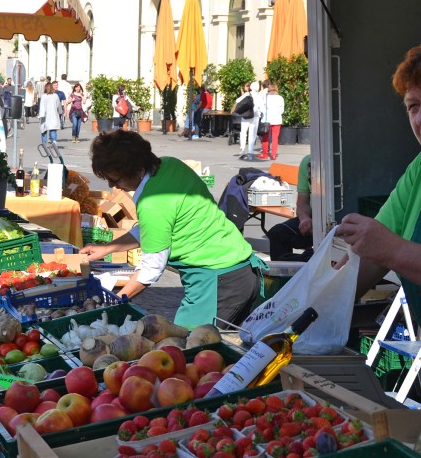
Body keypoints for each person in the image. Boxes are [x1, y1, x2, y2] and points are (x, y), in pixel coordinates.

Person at [79, 130, 265, 328]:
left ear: (135, 169)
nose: (111, 186)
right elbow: (155, 229)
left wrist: (115, 301)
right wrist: (108, 248)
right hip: (240, 269)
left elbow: (151, 269)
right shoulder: (170, 164)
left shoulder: (152, 203)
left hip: (218, 282)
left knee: (186, 347)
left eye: (115, 180)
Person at [339, 45, 421, 323]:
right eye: (413, 106)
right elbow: (370, 255)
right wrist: (306, 299)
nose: (419, 119)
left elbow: (385, 246)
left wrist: (394, 250)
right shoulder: (419, 169)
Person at [266, 155, 314, 261]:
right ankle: (284, 273)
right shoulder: (307, 161)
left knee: (312, 255)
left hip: (335, 223)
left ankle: (307, 262)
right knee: (277, 233)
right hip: (313, 219)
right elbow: (302, 201)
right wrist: (304, 218)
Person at [258, 82, 285, 160]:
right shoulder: (280, 98)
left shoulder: (265, 97)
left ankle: (264, 154)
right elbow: (282, 110)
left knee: (265, 137)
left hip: (267, 120)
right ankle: (273, 155)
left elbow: (262, 109)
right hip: (277, 120)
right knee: (275, 138)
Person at [231, 82, 256, 160]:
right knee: (252, 133)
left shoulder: (247, 94)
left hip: (246, 115)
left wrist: (242, 95)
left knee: (243, 132)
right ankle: (250, 151)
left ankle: (242, 149)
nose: (246, 87)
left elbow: (238, 100)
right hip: (255, 116)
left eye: (247, 86)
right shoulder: (258, 94)